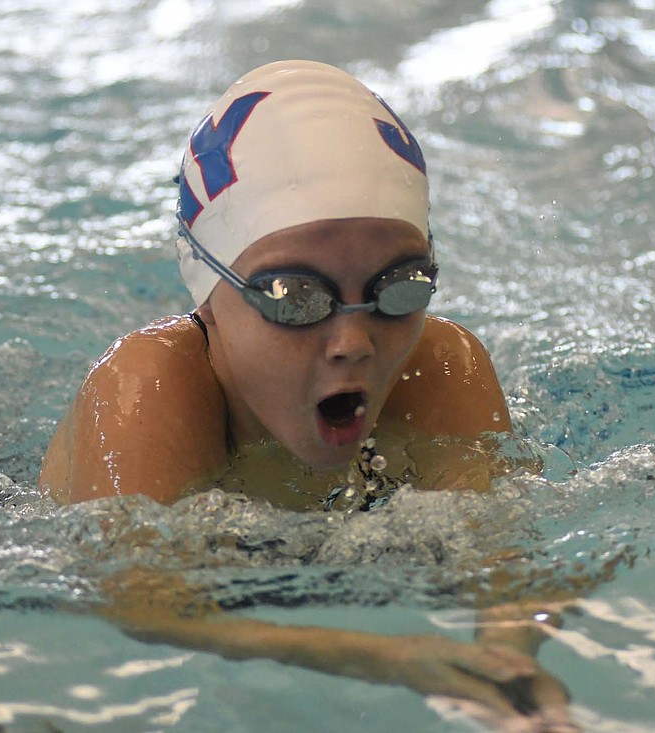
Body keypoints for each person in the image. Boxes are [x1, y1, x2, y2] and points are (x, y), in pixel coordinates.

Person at [40, 60, 577, 732]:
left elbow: (505, 558)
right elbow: (138, 602)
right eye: (295, 297)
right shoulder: (147, 385)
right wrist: (380, 658)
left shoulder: (440, 365)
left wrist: (509, 663)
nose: (353, 339)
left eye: (399, 287)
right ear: (208, 289)